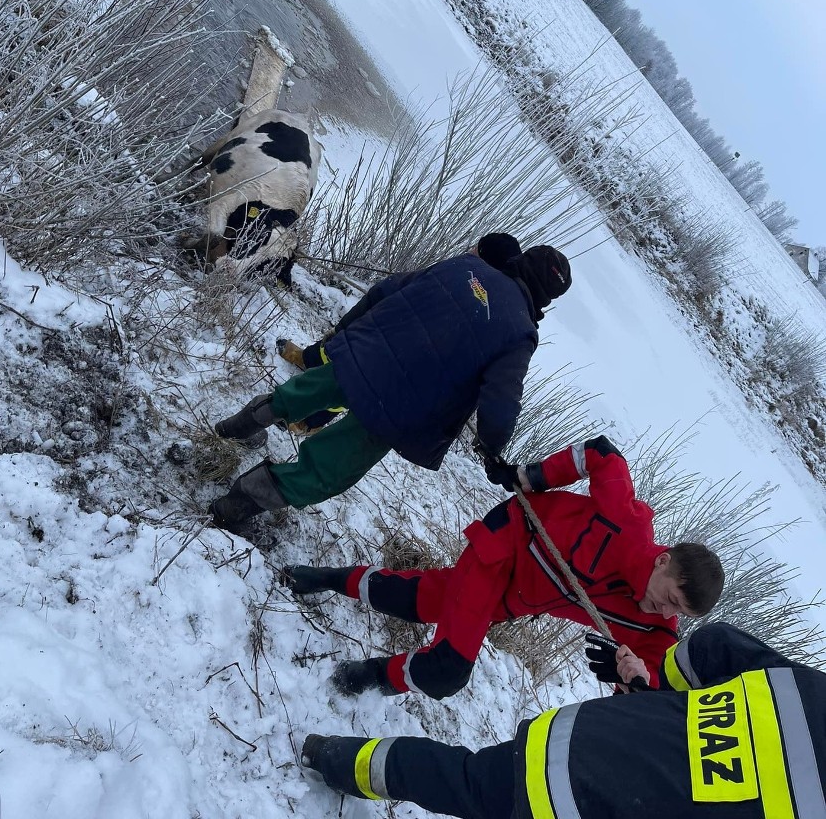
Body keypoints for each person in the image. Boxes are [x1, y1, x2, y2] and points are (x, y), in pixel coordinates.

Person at [284, 436, 724, 697]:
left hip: (514, 599)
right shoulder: (623, 522)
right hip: (508, 543)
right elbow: (601, 453)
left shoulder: (654, 628)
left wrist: (634, 680)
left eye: (678, 613)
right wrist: (530, 477)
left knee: (418, 600)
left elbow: (652, 688)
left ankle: (325, 579)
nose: (666, 613)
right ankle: (366, 678)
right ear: (664, 562)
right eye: (670, 598)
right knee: (448, 670)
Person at [209, 243, 571, 534]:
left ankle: (234, 429)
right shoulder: (520, 333)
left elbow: (386, 289)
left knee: (300, 395)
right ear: (547, 300)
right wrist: (492, 448)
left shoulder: (464, 267)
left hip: (364, 353)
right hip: (400, 408)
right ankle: (235, 505)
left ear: (521, 260)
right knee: (327, 468)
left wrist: (346, 333)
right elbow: (501, 405)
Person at [300, 620, 826, 818]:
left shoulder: (812, 693)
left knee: (459, 778)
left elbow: (715, 645)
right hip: (587, 802)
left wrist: (655, 692)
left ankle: (331, 756)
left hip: (583, 738)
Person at [275, 233, 523, 434]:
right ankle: (306, 360)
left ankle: (311, 421)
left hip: (394, 352)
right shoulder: (459, 275)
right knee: (337, 351)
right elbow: (391, 289)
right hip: (382, 337)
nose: (468, 251)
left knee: (353, 382)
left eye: (475, 250)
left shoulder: (488, 312)